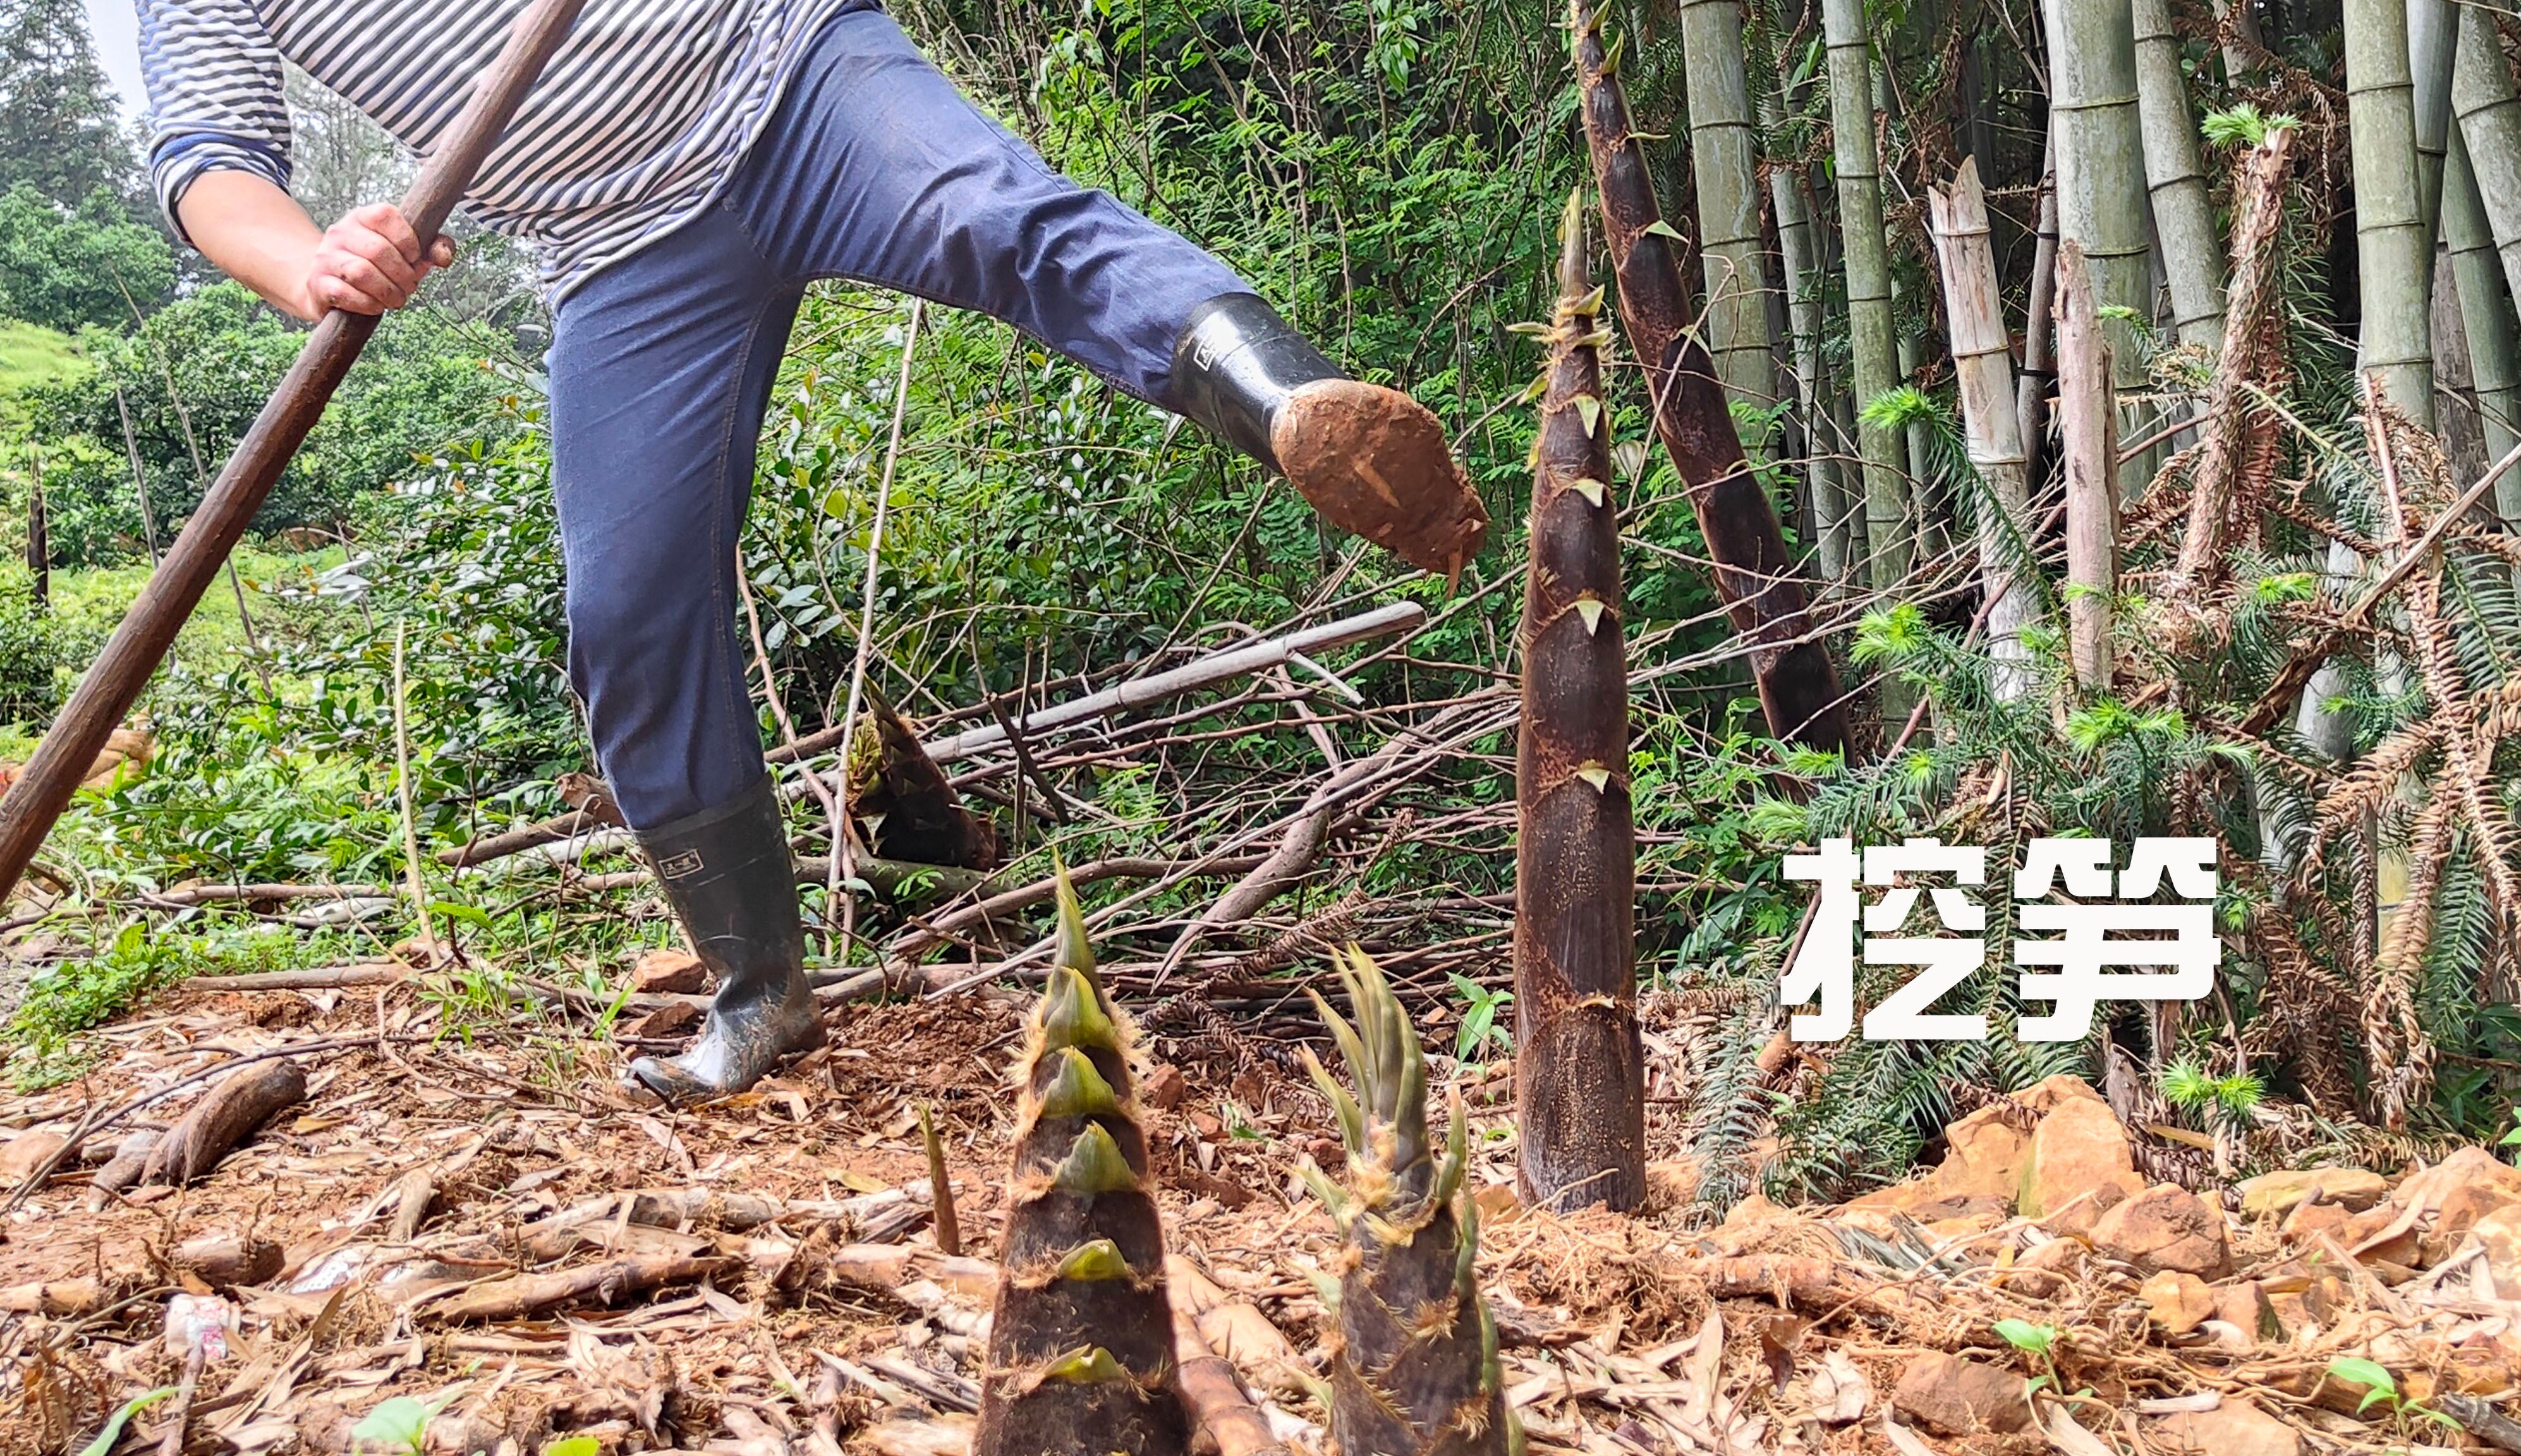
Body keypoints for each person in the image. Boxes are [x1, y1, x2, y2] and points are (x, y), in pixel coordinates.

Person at [139, 0, 1488, 1102]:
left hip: (785, 74)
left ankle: (1293, 407)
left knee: (993, 214)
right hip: (616, 252)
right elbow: (206, 159)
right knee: (628, 615)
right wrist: (313, 263)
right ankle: (758, 993)